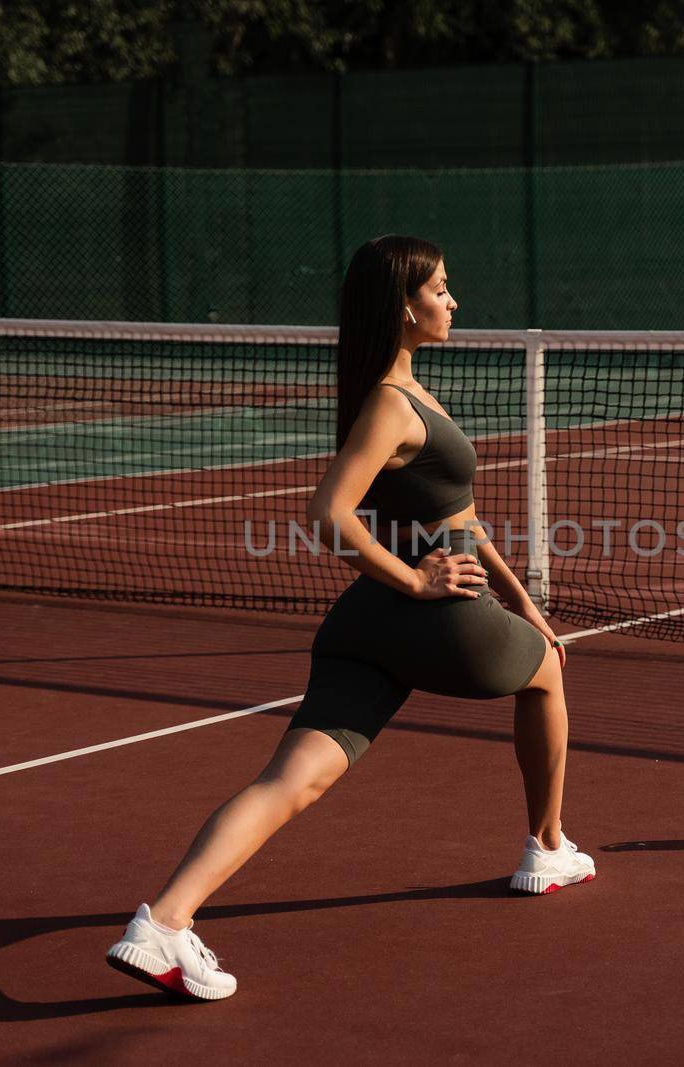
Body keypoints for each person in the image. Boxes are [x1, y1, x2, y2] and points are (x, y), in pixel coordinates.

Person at [105, 235, 595, 1002]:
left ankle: (162, 922)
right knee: (546, 673)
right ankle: (547, 845)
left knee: (292, 779)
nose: (453, 301)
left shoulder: (406, 395)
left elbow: (462, 514)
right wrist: (419, 580)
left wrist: (526, 599)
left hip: (366, 627)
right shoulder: (391, 405)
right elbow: (329, 516)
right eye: (440, 288)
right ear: (406, 305)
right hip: (436, 620)